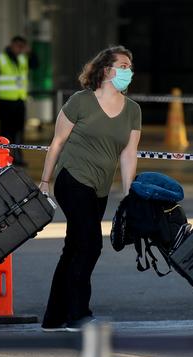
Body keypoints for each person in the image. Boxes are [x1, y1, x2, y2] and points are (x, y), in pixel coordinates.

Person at [38, 46, 141, 332]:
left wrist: (129, 194)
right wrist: (45, 181)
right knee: (90, 244)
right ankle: (77, 314)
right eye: (122, 65)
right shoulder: (80, 102)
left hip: (100, 187)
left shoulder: (133, 111)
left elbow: (128, 154)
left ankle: (53, 317)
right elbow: (57, 143)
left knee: (73, 247)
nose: (128, 71)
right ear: (106, 70)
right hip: (72, 179)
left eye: (130, 67)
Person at [0, 35, 37, 167]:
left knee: (19, 130)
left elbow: (36, 64)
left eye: (22, 47)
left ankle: (18, 157)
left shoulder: (23, 58)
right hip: (4, 100)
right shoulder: (0, 59)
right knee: (5, 131)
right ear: (12, 45)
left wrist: (30, 51)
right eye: (18, 46)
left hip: (19, 100)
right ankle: (4, 159)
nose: (20, 49)